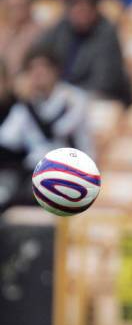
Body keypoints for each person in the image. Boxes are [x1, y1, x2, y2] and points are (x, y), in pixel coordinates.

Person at [0, 46, 93, 209]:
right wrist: (15, 99)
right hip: (34, 172)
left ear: (55, 70)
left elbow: (54, 130)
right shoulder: (28, 102)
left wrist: (27, 104)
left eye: (43, 67)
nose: (38, 74)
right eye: (32, 69)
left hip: (72, 169)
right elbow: (6, 139)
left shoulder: (73, 99)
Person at [36, 0, 132, 104]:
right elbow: (39, 54)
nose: (81, 16)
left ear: (95, 11)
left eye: (85, 11)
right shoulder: (61, 28)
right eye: (77, 10)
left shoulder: (106, 34)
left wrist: (69, 94)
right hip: (63, 95)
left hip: (97, 98)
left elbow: (104, 82)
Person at [0, 0, 43, 76]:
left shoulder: (40, 32)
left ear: (30, 5)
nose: (16, 10)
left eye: (21, 5)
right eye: (12, 5)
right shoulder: (2, 29)